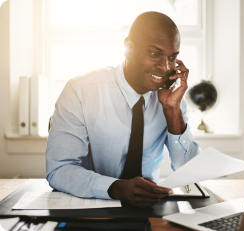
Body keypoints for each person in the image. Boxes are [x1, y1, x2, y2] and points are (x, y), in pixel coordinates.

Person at [46, 11, 200, 208]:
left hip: (148, 209)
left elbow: (190, 172)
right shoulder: (80, 91)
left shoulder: (173, 100)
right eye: (155, 53)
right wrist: (117, 188)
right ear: (128, 48)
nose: (164, 66)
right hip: (88, 207)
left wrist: (172, 111)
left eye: (172, 57)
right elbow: (59, 169)